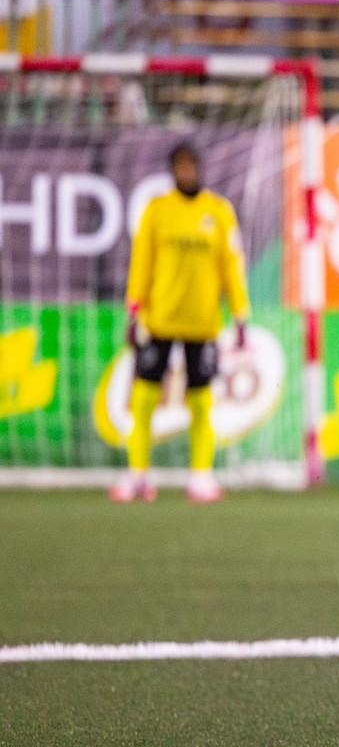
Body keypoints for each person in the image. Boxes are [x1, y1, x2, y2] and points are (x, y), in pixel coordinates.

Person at [110, 144, 249, 505]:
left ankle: (200, 476)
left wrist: (240, 311)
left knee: (202, 400)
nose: (187, 173)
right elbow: (142, 259)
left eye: (192, 167)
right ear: (173, 171)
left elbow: (230, 264)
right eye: (181, 167)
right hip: (160, 319)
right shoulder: (157, 210)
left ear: (199, 170)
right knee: (143, 397)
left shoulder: (217, 211)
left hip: (202, 322)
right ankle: (138, 475)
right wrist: (134, 305)